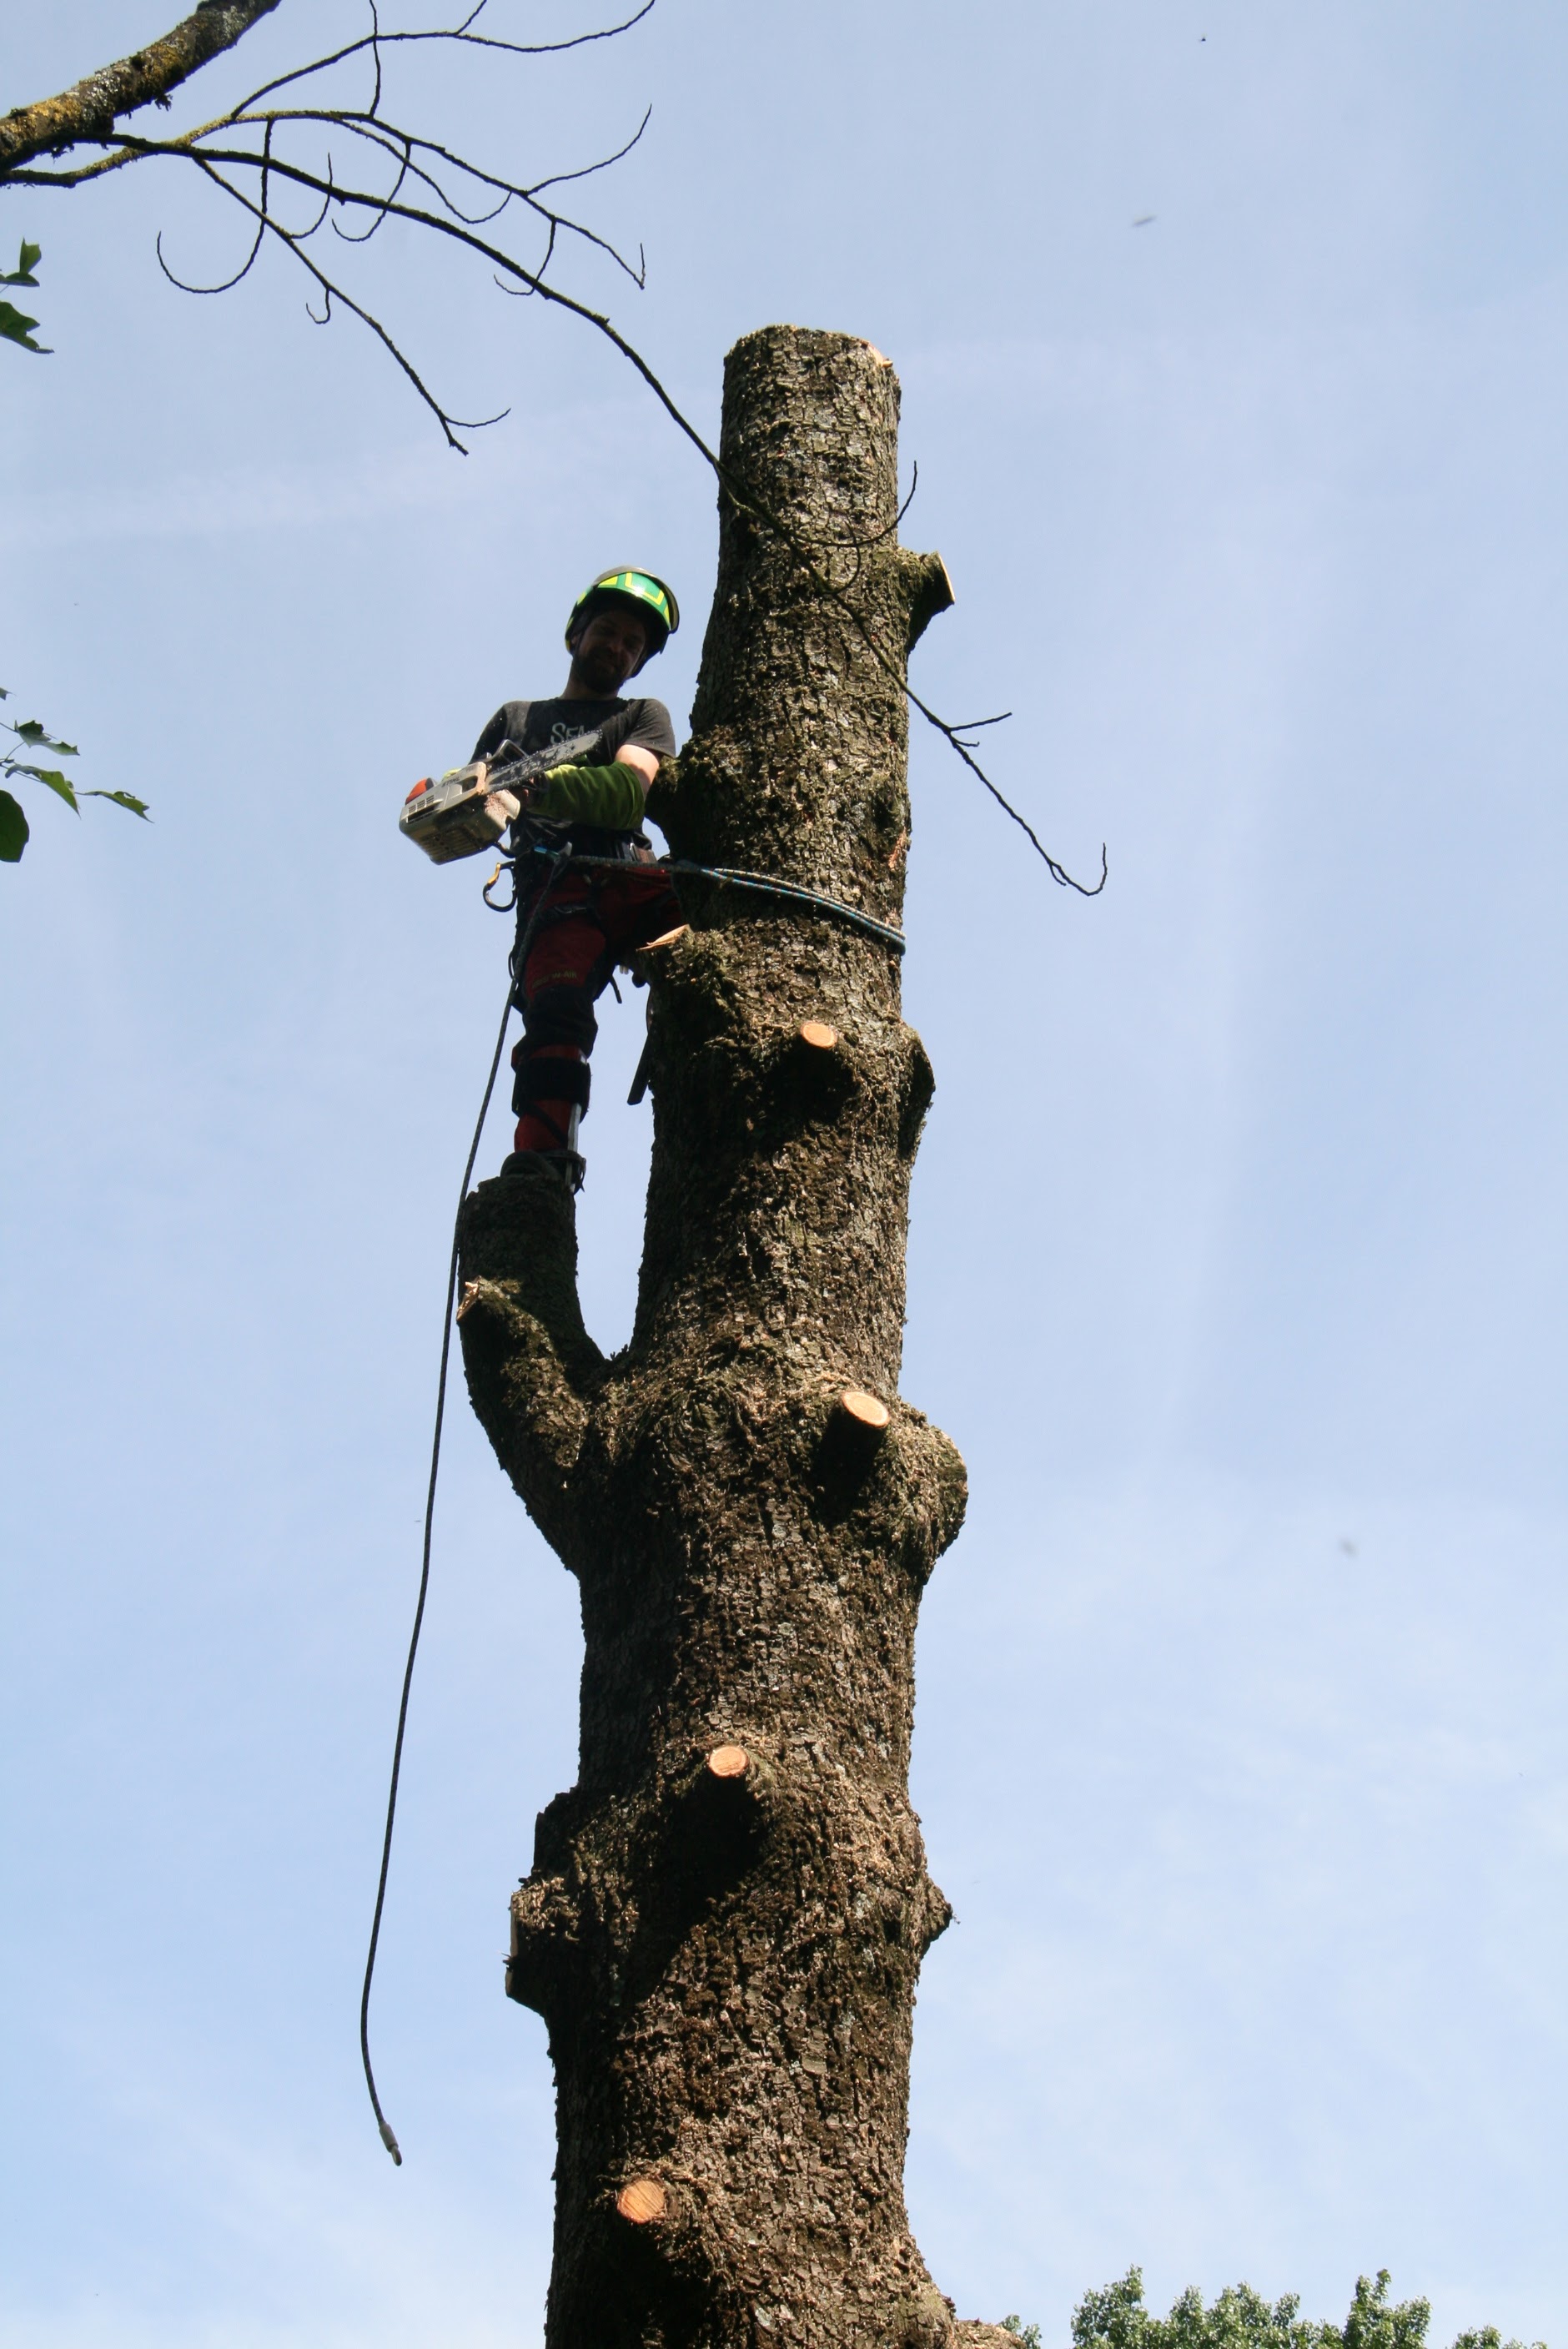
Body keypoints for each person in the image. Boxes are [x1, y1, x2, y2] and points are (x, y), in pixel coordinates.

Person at [470, 569, 682, 1185]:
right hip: (554, 892)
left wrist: (539, 785)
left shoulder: (642, 715)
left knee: (711, 912)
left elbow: (626, 793)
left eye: (632, 644)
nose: (618, 648)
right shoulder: (516, 721)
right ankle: (542, 1165)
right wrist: (445, 805)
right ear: (576, 634)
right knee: (556, 1015)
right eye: (608, 632)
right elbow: (475, 810)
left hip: (628, 876)